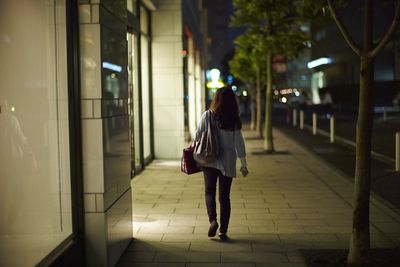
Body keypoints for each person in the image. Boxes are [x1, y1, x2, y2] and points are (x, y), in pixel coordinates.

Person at [194, 87, 248, 241]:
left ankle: (213, 221)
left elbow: (197, 135)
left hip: (209, 160)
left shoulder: (208, 115)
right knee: (225, 197)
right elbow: (239, 143)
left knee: (209, 192)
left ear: (216, 99)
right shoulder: (234, 119)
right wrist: (243, 164)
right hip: (228, 162)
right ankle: (223, 230)